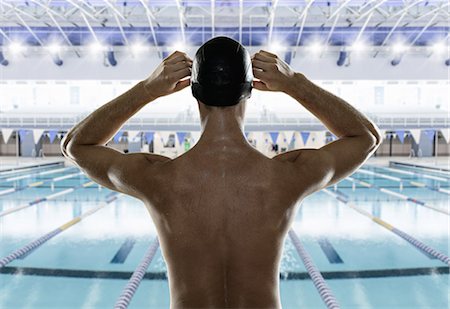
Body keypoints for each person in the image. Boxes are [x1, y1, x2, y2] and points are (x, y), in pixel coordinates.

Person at [61, 36, 381, 308]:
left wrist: (147, 89)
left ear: (194, 93)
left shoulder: (159, 179)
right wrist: (295, 83)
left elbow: (77, 145)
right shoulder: (287, 176)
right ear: (250, 91)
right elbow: (366, 138)